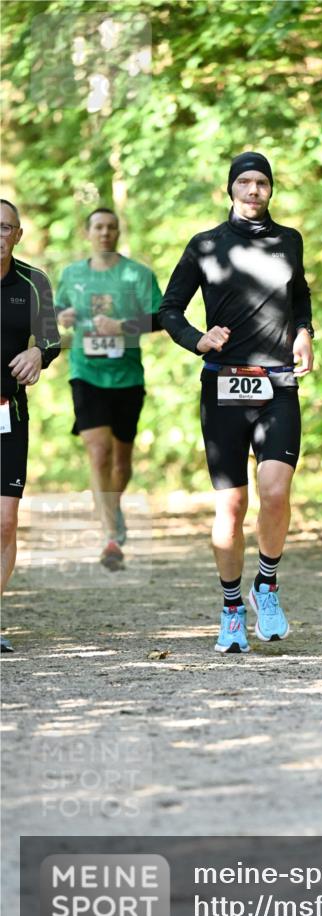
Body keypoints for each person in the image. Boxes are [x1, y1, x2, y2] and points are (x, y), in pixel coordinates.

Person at [159, 151, 315, 653]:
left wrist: (305, 333)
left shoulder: (288, 240)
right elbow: (169, 310)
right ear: (231, 188)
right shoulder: (206, 245)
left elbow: (301, 296)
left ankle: (265, 586)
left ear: (271, 190)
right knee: (231, 505)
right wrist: (197, 339)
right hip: (223, 386)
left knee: (275, 494)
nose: (253, 190)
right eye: (244, 182)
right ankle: (230, 611)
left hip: (278, 384)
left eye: (261, 183)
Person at [55, 207, 162, 570]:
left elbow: (161, 318)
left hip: (127, 377)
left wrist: (123, 325)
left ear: (118, 232)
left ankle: (112, 507)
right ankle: (109, 536)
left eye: (111, 227)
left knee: (121, 459)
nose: (105, 233)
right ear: (87, 233)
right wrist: (60, 317)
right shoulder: (71, 275)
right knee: (98, 453)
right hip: (85, 373)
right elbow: (52, 313)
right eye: (98, 227)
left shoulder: (137, 274)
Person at [1, 198, 61, 653]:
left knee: (4, 522)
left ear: (17, 235)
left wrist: (39, 353)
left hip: (8, 413)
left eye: (6, 228)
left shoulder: (34, 282)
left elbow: (51, 339)